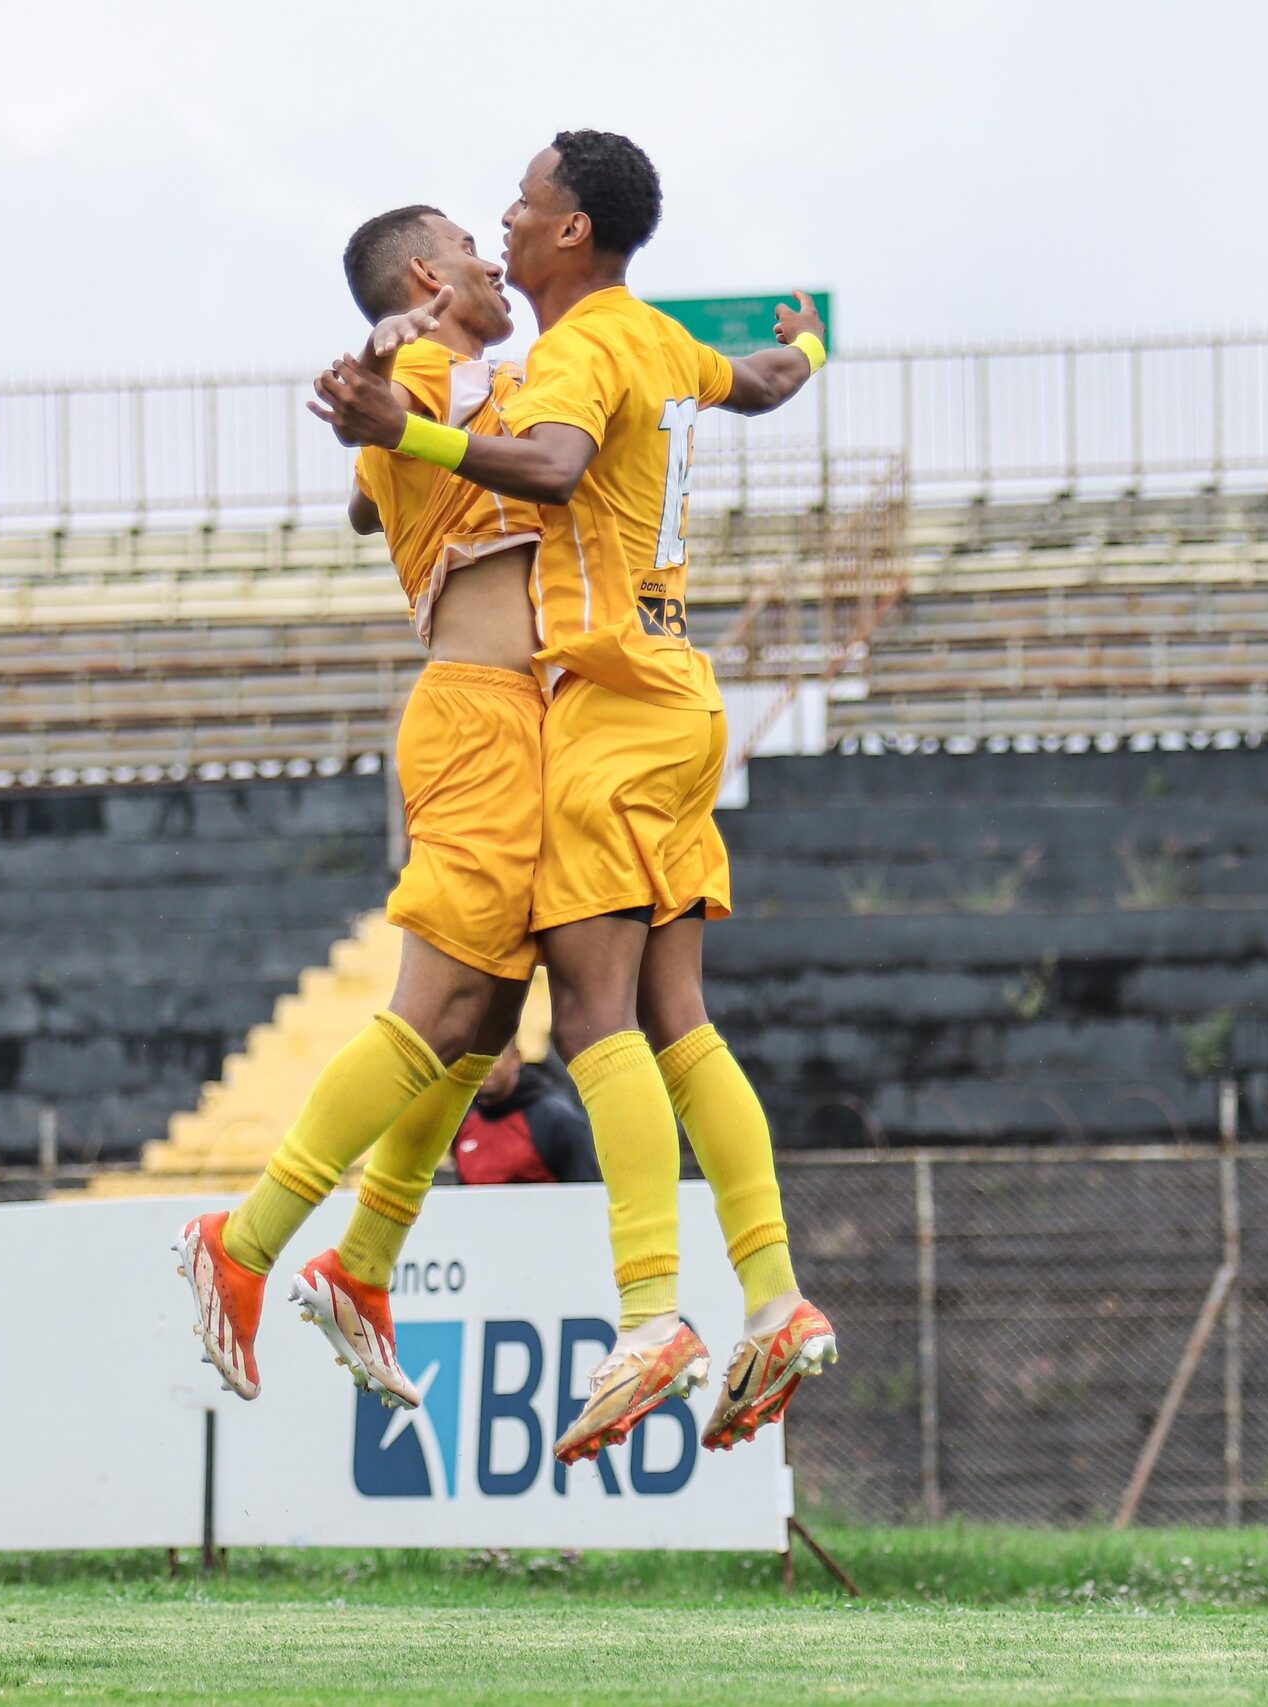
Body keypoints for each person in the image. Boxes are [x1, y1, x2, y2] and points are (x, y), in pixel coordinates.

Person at [310, 130, 835, 1461]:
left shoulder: (583, 353)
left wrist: (400, 425)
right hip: (679, 693)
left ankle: (653, 1312)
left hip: (597, 706)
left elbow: (540, 468)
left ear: (569, 235)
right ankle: (773, 1296)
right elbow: (763, 381)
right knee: (678, 1015)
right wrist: (809, 349)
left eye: (524, 202)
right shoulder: (660, 341)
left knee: (589, 1011)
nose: (507, 217)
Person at [177, 207, 547, 1414]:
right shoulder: (434, 356)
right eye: (475, 250)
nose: (499, 262)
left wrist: (385, 439)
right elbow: (407, 409)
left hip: (515, 723)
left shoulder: (461, 373)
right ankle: (245, 1240)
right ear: (434, 274)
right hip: (480, 717)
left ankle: (366, 1262)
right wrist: (396, 360)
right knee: (437, 1006)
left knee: (485, 1022)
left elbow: (365, 496)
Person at [447, 1042, 601, 1186]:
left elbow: (586, 1197)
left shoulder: (558, 1120)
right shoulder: (460, 1121)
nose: (484, 1067)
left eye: (495, 1056)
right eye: (474, 1057)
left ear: (516, 1058)